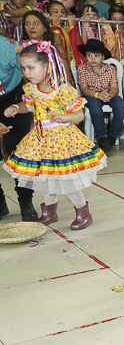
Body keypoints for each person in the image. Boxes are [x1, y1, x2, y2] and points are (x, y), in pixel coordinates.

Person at [2, 41, 106, 229]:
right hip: (41, 140)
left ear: (47, 66)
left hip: (62, 140)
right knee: (47, 176)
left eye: (31, 68)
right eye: (24, 68)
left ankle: (83, 211)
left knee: (67, 178)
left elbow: (79, 115)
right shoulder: (32, 89)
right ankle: (49, 211)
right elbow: (29, 106)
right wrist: (16, 107)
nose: (26, 73)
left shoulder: (62, 90)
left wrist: (65, 117)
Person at [0, 35, 37, 220]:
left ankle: (26, 200)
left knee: (20, 152)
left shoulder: (9, 49)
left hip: (14, 98)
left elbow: (36, 71)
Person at [76, 39, 124, 152]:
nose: (93, 59)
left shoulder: (110, 69)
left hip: (108, 93)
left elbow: (114, 87)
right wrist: (97, 95)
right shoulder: (82, 69)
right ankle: (101, 136)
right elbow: (84, 89)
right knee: (95, 109)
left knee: (120, 105)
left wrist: (109, 95)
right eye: (89, 55)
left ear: (103, 57)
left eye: (96, 55)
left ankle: (113, 134)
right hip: (92, 95)